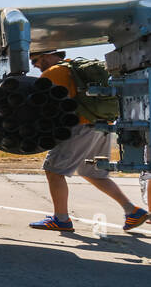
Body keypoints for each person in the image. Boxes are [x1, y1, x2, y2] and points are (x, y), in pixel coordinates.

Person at [27, 48, 149, 232]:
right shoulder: (74, 69)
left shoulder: (53, 73)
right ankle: (132, 212)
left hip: (79, 126)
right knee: (92, 172)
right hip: (101, 126)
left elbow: (44, 106)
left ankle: (61, 219)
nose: (35, 65)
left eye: (35, 60)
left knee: (53, 170)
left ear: (47, 56)